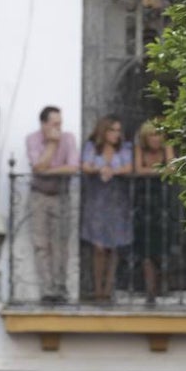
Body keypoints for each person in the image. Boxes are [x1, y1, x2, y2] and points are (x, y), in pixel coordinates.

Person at [26, 106, 80, 303]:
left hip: (62, 196)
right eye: (54, 123)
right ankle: (47, 290)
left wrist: (47, 170)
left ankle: (60, 288)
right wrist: (51, 145)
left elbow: (73, 167)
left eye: (60, 123)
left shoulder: (69, 138)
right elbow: (37, 166)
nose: (59, 127)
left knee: (61, 245)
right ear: (43, 124)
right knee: (41, 244)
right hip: (39, 196)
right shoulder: (32, 139)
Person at [81, 115, 134, 302]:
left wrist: (113, 171)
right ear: (103, 131)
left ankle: (108, 288)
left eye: (118, 130)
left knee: (114, 246)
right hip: (97, 200)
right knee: (98, 247)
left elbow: (128, 167)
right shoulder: (91, 147)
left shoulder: (125, 148)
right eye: (112, 130)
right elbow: (86, 166)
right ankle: (97, 289)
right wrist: (99, 169)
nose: (116, 134)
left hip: (117, 200)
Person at [133, 121, 176, 305]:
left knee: (163, 248)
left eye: (159, 134)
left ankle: (163, 285)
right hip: (144, 206)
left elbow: (173, 169)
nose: (156, 139)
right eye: (152, 135)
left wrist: (151, 171)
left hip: (164, 205)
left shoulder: (166, 149)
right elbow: (138, 170)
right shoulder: (139, 149)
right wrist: (160, 171)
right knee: (146, 251)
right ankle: (150, 290)